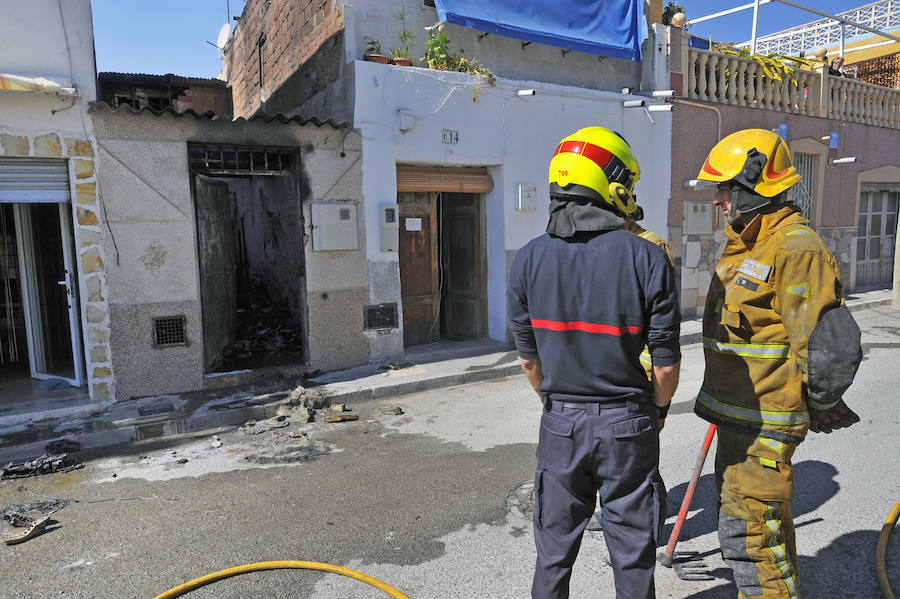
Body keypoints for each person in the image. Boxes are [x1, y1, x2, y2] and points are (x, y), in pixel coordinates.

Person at [508, 126, 681, 598]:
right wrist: (657, 412)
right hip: (629, 424)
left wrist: (559, 399)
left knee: (553, 555)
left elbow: (530, 364)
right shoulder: (649, 257)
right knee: (632, 556)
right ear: (613, 186)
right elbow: (665, 369)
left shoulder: (526, 260)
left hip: (560, 426)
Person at [692, 129, 862, 598]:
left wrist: (813, 406)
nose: (719, 200)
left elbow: (832, 349)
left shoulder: (794, 249)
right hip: (741, 419)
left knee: (752, 540)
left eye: (724, 188)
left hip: (766, 425)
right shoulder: (749, 243)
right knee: (753, 529)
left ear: (753, 183)